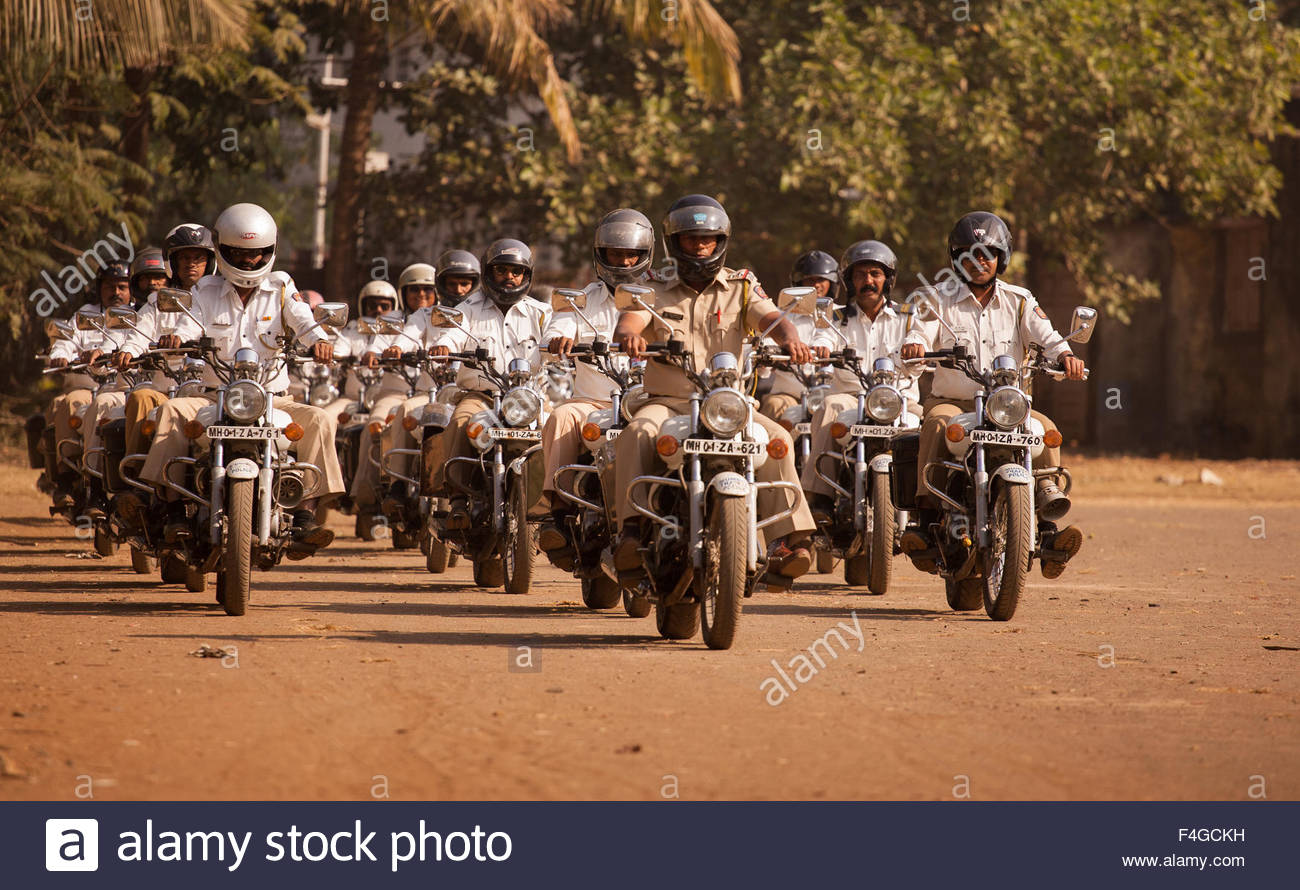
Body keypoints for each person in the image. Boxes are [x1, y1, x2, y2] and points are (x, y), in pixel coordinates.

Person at [611, 194, 817, 579]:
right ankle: (632, 529)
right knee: (637, 432)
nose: (701, 247)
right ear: (675, 243)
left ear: (721, 242)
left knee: (777, 440)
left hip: (729, 404)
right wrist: (630, 337)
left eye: (708, 240)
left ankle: (790, 540)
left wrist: (790, 340)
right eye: (692, 239)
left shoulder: (741, 285)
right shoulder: (653, 285)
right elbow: (631, 320)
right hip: (670, 403)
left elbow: (771, 318)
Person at [137, 202, 344, 554]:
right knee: (171, 412)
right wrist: (177, 339)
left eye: (257, 254)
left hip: (273, 396)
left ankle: (307, 515)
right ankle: (171, 508)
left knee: (321, 420)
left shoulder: (281, 285)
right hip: (213, 394)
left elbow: (304, 321)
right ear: (223, 251)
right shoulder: (205, 288)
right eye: (239, 253)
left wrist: (320, 342)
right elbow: (189, 323)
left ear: (270, 251)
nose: (249, 261)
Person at [903, 211, 1085, 578]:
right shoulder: (935, 299)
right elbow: (917, 332)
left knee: (1046, 429)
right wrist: (914, 346)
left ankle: (1047, 520)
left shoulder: (1019, 300)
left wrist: (1064, 355)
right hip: (954, 403)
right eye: (970, 253)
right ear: (957, 258)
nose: (980, 260)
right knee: (936, 425)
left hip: (1007, 405)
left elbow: (1046, 336)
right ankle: (925, 519)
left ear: (1002, 257)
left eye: (988, 252)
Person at [537, 208, 652, 560]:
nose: (623, 260)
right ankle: (556, 511)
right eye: (616, 253)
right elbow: (556, 329)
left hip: (648, 403)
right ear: (601, 255)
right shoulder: (580, 299)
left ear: (646, 255)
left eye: (631, 254)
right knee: (560, 416)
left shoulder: (660, 296)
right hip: (593, 404)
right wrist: (558, 341)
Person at [417, 239, 551, 527]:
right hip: (483, 396)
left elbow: (557, 335)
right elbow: (452, 332)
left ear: (527, 275)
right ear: (489, 273)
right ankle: (457, 500)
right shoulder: (470, 307)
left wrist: (564, 344)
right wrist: (443, 346)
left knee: (555, 428)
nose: (509, 277)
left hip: (528, 399)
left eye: (516, 271)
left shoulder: (540, 312)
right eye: (502, 270)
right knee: (461, 421)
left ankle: (554, 506)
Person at [800, 240, 928, 522]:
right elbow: (823, 336)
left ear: (888, 279)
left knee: (931, 424)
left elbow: (919, 339)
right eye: (860, 275)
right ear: (849, 280)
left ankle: (931, 505)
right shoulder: (834, 316)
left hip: (901, 400)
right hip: (852, 398)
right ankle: (819, 498)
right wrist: (821, 349)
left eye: (875, 274)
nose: (867, 281)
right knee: (829, 406)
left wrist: (916, 349)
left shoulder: (908, 316)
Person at [379, 250, 484, 492]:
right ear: (441, 284)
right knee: (405, 409)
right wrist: (397, 347)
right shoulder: (425, 314)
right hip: (431, 393)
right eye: (452, 283)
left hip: (471, 394)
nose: (458, 290)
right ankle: (398, 486)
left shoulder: (481, 315)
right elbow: (409, 335)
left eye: (464, 283)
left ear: (475, 284)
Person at [44, 261, 132, 508]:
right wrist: (60, 354)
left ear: (131, 289)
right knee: (72, 401)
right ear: (99, 288)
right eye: (109, 286)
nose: (116, 292)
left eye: (122, 287)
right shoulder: (85, 314)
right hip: (88, 384)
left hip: (124, 386)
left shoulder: (137, 315)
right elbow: (65, 340)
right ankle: (68, 476)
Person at [758, 249, 836, 422]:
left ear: (832, 283)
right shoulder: (783, 315)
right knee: (773, 405)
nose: (816, 285)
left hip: (827, 394)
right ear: (799, 282)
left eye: (821, 280)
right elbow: (768, 339)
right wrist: (771, 354)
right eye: (810, 280)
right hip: (788, 394)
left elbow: (829, 336)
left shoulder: (841, 315)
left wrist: (824, 347)